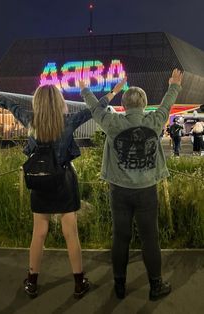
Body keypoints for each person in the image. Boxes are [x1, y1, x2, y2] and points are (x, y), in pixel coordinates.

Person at [0, 78, 91, 299]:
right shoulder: (68, 121)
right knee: (70, 232)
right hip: (64, 181)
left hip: (40, 180)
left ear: (38, 102)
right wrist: (96, 91)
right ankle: (79, 282)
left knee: (39, 232)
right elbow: (94, 110)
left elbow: (12, 106)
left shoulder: (31, 120)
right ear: (59, 102)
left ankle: (32, 282)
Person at [79, 69, 183, 301]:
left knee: (120, 236)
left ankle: (119, 286)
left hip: (119, 191)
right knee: (150, 238)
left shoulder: (112, 122)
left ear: (123, 105)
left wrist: (85, 89)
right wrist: (173, 85)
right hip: (147, 190)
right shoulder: (154, 121)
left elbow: (95, 108)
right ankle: (156, 285)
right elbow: (166, 106)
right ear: (144, 104)